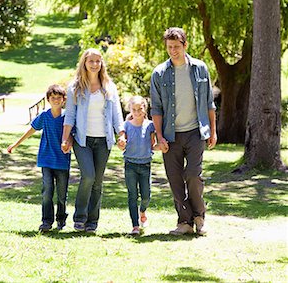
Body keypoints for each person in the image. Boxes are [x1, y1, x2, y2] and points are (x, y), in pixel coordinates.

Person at [150, 27, 217, 236]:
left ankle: (199, 217)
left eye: (177, 47)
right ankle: (184, 221)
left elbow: (209, 103)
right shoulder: (159, 73)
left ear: (185, 45)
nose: (173, 51)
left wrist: (213, 132)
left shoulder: (200, 68)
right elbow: (157, 108)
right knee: (175, 178)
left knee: (193, 174)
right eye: (169, 47)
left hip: (196, 132)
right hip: (171, 135)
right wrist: (159, 136)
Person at [61, 48, 124, 233]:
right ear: (84, 63)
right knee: (88, 176)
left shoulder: (109, 87)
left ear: (102, 63)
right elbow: (70, 116)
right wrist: (65, 139)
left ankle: (92, 222)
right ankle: (80, 217)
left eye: (98, 61)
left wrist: (121, 134)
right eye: (91, 61)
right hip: (82, 140)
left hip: (104, 140)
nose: (95, 64)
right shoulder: (75, 87)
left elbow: (117, 114)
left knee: (97, 181)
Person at [7, 84, 70, 232]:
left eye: (58, 97)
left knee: (62, 194)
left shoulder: (67, 117)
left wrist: (68, 145)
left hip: (62, 161)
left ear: (63, 99)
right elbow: (31, 130)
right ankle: (46, 221)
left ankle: (61, 219)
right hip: (46, 160)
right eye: (52, 98)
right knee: (47, 191)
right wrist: (15, 144)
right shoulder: (44, 116)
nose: (56, 100)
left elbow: (73, 135)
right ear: (48, 99)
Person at [117, 95, 162, 236]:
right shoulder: (126, 126)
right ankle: (135, 225)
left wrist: (159, 147)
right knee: (132, 195)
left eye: (140, 109)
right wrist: (121, 143)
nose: (137, 112)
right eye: (134, 109)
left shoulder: (150, 125)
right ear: (130, 109)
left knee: (146, 196)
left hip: (145, 165)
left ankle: (142, 211)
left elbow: (152, 144)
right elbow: (121, 143)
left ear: (144, 109)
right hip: (130, 164)